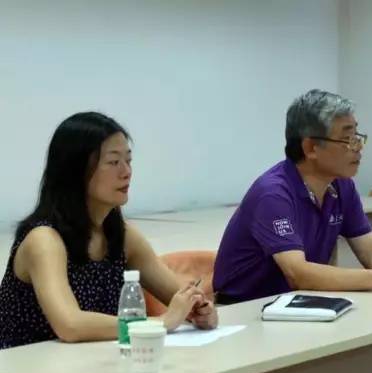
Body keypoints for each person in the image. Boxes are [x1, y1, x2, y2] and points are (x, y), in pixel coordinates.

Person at [0, 112, 217, 350]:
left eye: (128, 161)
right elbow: (70, 325)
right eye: (113, 162)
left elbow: (181, 296)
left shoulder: (122, 236)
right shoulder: (44, 240)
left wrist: (201, 310)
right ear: (76, 171)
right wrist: (160, 322)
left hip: (91, 363)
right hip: (25, 368)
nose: (126, 172)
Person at [214, 89, 372, 304]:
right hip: (244, 309)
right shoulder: (273, 193)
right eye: (347, 139)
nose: (358, 146)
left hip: (294, 304)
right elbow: (298, 273)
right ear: (310, 148)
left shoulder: (341, 185)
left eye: (357, 136)